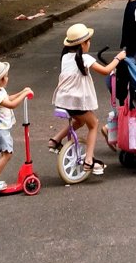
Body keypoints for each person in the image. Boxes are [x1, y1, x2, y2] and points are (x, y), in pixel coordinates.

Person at [49, 23, 125, 176]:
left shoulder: (65, 57)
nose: (89, 43)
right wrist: (119, 58)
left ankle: (55, 140)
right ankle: (89, 160)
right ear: (83, 43)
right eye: (88, 41)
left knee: (80, 121)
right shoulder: (84, 58)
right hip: (75, 102)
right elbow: (105, 71)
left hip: (62, 100)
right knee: (94, 124)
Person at [0, 59, 34, 191]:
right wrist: (24, 95)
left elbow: (10, 98)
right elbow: (12, 104)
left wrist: (22, 91)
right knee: (7, 154)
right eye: (5, 76)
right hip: (0, 130)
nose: (7, 77)